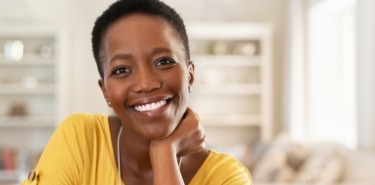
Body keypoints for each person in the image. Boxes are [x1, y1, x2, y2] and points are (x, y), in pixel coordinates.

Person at [21, 0, 253, 184]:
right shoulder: (81, 139)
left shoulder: (227, 178)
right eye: (122, 70)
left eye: (163, 62)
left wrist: (164, 153)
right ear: (105, 92)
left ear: (190, 75)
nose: (146, 84)